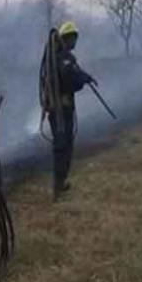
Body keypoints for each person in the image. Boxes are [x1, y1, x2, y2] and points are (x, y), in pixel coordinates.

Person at [48, 21, 97, 201]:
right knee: (62, 146)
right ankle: (57, 187)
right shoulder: (64, 58)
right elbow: (70, 81)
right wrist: (82, 81)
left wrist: (86, 77)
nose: (75, 42)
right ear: (67, 38)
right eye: (74, 38)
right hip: (61, 109)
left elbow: (75, 74)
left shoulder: (58, 57)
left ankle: (60, 183)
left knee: (64, 145)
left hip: (58, 108)